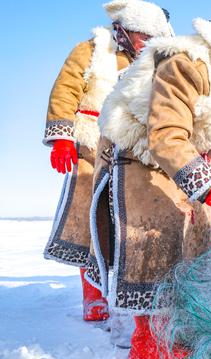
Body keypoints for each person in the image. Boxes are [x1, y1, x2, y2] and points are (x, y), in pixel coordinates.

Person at [87, 9, 211, 357]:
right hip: (141, 157)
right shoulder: (186, 66)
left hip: (185, 160)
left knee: (196, 249)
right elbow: (166, 136)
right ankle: (149, 343)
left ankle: (179, 334)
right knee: (157, 243)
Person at [42, 0, 173, 323]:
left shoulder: (154, 59)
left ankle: (135, 295)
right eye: (143, 38)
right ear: (127, 30)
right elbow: (65, 89)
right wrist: (61, 136)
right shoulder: (93, 49)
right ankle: (94, 296)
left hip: (130, 149)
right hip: (90, 147)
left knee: (131, 226)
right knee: (91, 222)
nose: (147, 44)